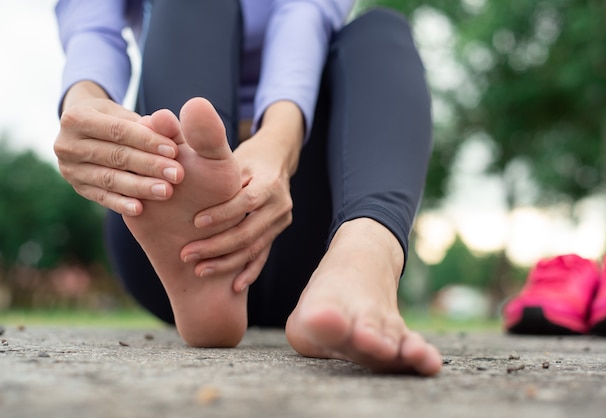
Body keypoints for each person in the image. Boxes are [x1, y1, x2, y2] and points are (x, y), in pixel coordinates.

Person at [54, 0, 442, 375]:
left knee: (381, 32)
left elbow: (304, 12)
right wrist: (85, 106)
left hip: (312, 224)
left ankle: (359, 260)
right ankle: (193, 210)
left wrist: (278, 142)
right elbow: (91, 20)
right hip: (160, 222)